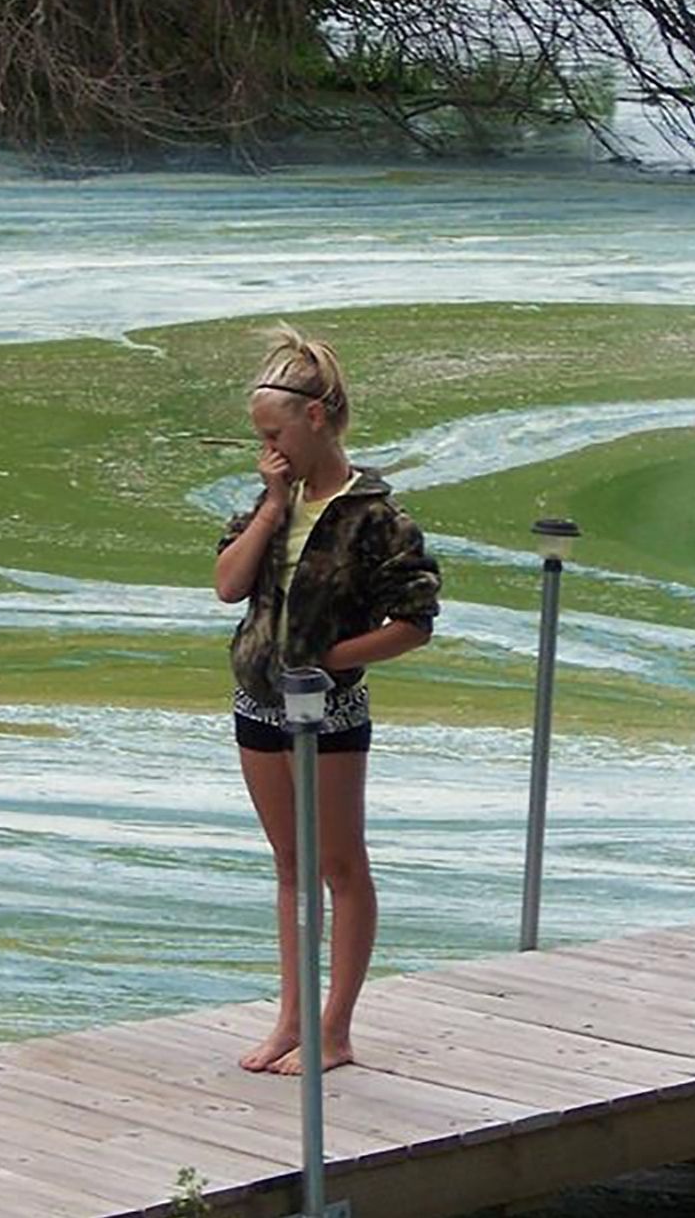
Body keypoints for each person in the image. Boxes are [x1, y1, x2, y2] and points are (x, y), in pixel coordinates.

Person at [214, 324, 440, 1075]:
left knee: (339, 864)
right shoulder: (268, 500)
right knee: (289, 865)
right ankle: (290, 1020)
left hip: (330, 710)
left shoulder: (376, 517)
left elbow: (413, 623)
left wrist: (327, 661)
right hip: (258, 702)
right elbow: (227, 586)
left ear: (315, 417)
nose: (266, 450)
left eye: (274, 434)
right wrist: (273, 506)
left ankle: (334, 1028)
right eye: (260, 438)